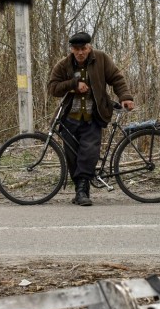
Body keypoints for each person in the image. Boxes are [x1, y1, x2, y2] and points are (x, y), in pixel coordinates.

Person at [47, 31, 135, 206]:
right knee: (72, 157)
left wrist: (125, 96)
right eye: (76, 49)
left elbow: (116, 78)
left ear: (89, 47)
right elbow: (53, 88)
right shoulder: (64, 65)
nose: (80, 52)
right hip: (69, 118)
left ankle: (81, 192)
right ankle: (81, 190)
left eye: (84, 48)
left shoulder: (101, 59)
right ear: (71, 49)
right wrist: (73, 84)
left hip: (94, 116)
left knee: (88, 152)